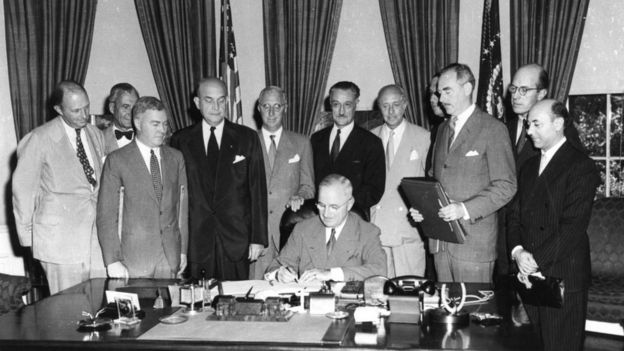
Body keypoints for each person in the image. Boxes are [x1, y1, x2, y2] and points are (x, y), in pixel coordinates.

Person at [410, 63, 517, 283]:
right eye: (439, 93)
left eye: (447, 91)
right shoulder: (441, 130)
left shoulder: (492, 129)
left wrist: (464, 209)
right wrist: (424, 209)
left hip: (473, 246)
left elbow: (506, 186)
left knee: (473, 314)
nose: (440, 99)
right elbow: (434, 179)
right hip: (440, 244)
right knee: (447, 315)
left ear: (468, 88)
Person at [508, 99, 599, 351]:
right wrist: (517, 251)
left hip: (562, 275)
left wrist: (535, 259)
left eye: (536, 124)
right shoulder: (528, 167)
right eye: (528, 125)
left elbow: (573, 227)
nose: (528, 131)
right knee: (535, 344)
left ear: (558, 124)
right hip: (530, 277)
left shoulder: (582, 166)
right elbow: (513, 215)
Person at [12, 80, 106, 294]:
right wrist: (28, 238)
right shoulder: (39, 139)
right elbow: (23, 191)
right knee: (68, 311)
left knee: (99, 308)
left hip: (95, 240)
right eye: (76, 110)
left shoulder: (96, 134)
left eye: (86, 107)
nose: (84, 115)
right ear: (58, 109)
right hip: (60, 242)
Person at [170, 77, 267, 280]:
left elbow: (257, 190)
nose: (216, 107)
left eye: (221, 100)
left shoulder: (247, 138)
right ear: (197, 103)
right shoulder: (181, 140)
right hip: (196, 241)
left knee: (234, 304)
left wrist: (258, 238)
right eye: (208, 100)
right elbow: (176, 197)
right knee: (198, 305)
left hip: (236, 240)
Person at [97, 96, 188, 279]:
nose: (162, 130)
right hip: (133, 259)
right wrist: (112, 260)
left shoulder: (176, 158)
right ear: (138, 123)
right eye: (155, 124)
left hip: (170, 257)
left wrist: (182, 249)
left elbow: (181, 208)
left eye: (164, 124)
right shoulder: (117, 160)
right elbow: (107, 215)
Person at [266, 174, 386, 282]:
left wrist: (332, 274)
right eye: (322, 205)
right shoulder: (303, 229)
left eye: (334, 207)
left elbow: (379, 271)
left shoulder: (368, 232)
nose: (326, 214)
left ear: (349, 204)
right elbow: (275, 266)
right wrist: (278, 274)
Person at [249, 86, 315, 279]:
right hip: (257, 236)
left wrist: (300, 196)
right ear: (259, 108)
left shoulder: (301, 143)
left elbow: (308, 186)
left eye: (277, 106)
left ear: (285, 108)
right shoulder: (247, 142)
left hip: (289, 234)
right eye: (266, 106)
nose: (271, 112)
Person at [370, 84, 430, 277]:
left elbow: (430, 185)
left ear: (405, 105)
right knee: (379, 294)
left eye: (396, 104)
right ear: (379, 107)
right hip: (377, 229)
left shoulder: (423, 137)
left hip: (408, 230)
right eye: (385, 106)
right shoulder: (369, 138)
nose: (391, 111)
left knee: (409, 294)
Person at [310, 81, 385, 220]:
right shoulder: (316, 139)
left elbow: (374, 190)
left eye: (347, 104)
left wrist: (342, 206)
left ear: (356, 103)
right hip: (320, 218)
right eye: (336, 104)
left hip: (354, 219)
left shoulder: (371, 143)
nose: (341, 111)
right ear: (330, 105)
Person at [102, 83, 139, 155]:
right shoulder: (99, 139)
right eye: (125, 106)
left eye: (135, 107)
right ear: (112, 108)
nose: (132, 113)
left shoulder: (146, 138)